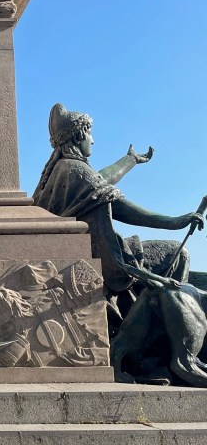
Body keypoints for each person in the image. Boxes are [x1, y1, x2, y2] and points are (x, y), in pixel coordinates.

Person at [33, 104, 203, 304]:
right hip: (101, 259)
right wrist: (174, 222)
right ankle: (166, 315)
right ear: (79, 137)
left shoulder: (60, 170)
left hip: (78, 255)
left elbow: (101, 179)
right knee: (179, 253)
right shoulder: (76, 171)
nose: (93, 140)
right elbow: (121, 207)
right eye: (90, 134)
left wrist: (130, 160)